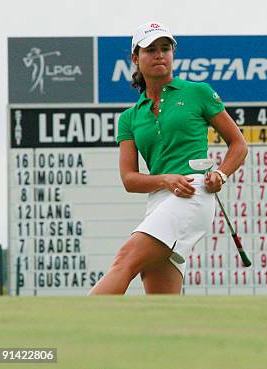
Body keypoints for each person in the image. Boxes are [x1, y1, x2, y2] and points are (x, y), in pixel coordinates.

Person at [89, 21, 247, 295]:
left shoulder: (198, 92)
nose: (159, 54)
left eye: (165, 48)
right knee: (161, 300)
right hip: (159, 199)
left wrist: (220, 174)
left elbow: (238, 144)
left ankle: (76, 329)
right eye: (151, 50)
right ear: (136, 58)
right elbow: (129, 179)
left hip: (192, 193)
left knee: (125, 260)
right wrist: (164, 180)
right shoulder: (130, 117)